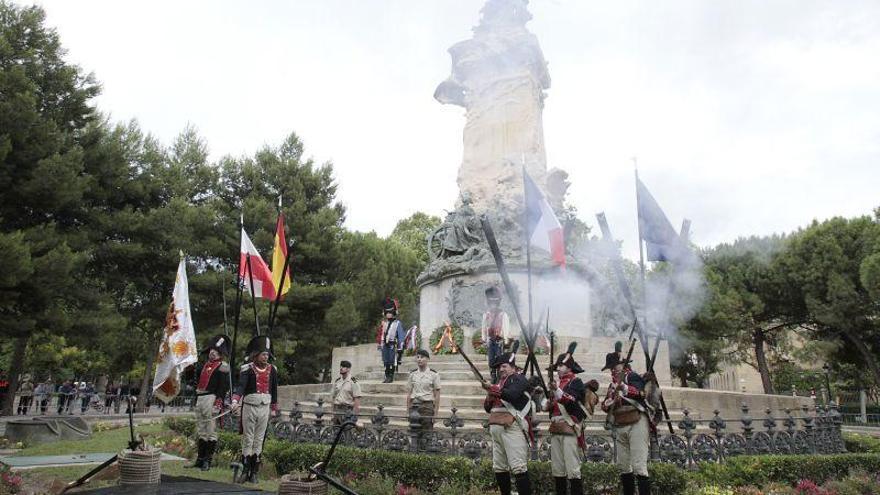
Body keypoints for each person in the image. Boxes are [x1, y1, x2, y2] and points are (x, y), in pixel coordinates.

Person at [482, 347, 533, 495]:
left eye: (504, 366)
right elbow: (487, 407)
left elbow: (512, 396)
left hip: (512, 427)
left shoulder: (519, 379)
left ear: (513, 367)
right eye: (499, 367)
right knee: (499, 467)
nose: (501, 369)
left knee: (518, 467)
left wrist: (493, 389)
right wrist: (490, 395)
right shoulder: (498, 383)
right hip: (496, 427)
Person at [601, 346, 652, 495]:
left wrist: (624, 388)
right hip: (620, 423)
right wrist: (608, 403)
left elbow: (641, 393)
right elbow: (604, 406)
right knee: (624, 466)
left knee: (639, 467)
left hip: (636, 421)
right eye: (610, 368)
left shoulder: (632, 376)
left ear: (622, 365)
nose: (612, 370)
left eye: (614, 366)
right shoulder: (612, 385)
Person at [547, 344, 597, 495]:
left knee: (573, 469)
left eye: (561, 365)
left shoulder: (576, 382)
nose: (558, 368)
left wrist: (556, 390)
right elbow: (551, 407)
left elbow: (571, 401)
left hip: (569, 426)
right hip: (556, 427)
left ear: (569, 367)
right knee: (558, 470)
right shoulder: (557, 383)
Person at [232, 335, 279, 484]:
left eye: (267, 354)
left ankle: (254, 472)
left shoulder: (273, 370)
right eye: (263, 354)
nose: (266, 357)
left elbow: (274, 390)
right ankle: (245, 470)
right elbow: (241, 386)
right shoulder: (247, 369)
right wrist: (235, 400)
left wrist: (273, 408)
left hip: (264, 408)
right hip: (250, 407)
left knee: (259, 439)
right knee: (248, 439)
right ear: (256, 355)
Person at [187, 335, 230, 471]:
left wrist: (218, 404)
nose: (212, 352)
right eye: (212, 350)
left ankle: (207, 461)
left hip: (211, 398)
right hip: (200, 397)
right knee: (201, 430)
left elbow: (223, 388)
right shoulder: (205, 365)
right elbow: (192, 379)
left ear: (220, 353)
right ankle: (200, 459)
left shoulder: (223, 366)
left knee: (211, 431)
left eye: (216, 351)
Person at [481, 286, 511, 383]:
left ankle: (499, 376)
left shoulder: (503, 314)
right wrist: (484, 339)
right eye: (491, 302)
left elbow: (505, 327)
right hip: (491, 340)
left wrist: (506, 340)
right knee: (491, 359)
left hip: (499, 341)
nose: (493, 304)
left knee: (499, 359)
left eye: (494, 302)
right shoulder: (486, 314)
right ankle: (493, 374)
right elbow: (484, 327)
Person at [406, 350, 441, 430]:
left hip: (427, 407)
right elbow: (409, 393)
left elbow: (437, 395)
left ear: (427, 359)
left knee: (427, 434)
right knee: (414, 434)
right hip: (414, 407)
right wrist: (408, 411)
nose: (419, 359)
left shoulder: (433, 374)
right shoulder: (412, 374)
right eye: (418, 357)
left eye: (422, 357)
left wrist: (435, 413)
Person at [376, 298, 406, 383]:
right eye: (387, 313)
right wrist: (379, 343)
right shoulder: (384, 323)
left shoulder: (397, 323)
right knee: (385, 361)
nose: (388, 314)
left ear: (393, 313)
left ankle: (391, 377)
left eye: (390, 313)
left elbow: (401, 336)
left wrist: (400, 347)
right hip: (384, 345)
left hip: (392, 345)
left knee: (391, 360)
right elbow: (380, 334)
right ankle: (386, 376)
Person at [330, 360, 362, 425]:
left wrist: (355, 416)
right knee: (336, 432)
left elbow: (357, 399)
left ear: (348, 369)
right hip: (337, 410)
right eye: (341, 366)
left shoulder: (353, 381)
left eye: (344, 367)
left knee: (346, 432)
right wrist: (332, 413)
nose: (341, 368)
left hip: (347, 411)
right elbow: (333, 397)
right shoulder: (337, 381)